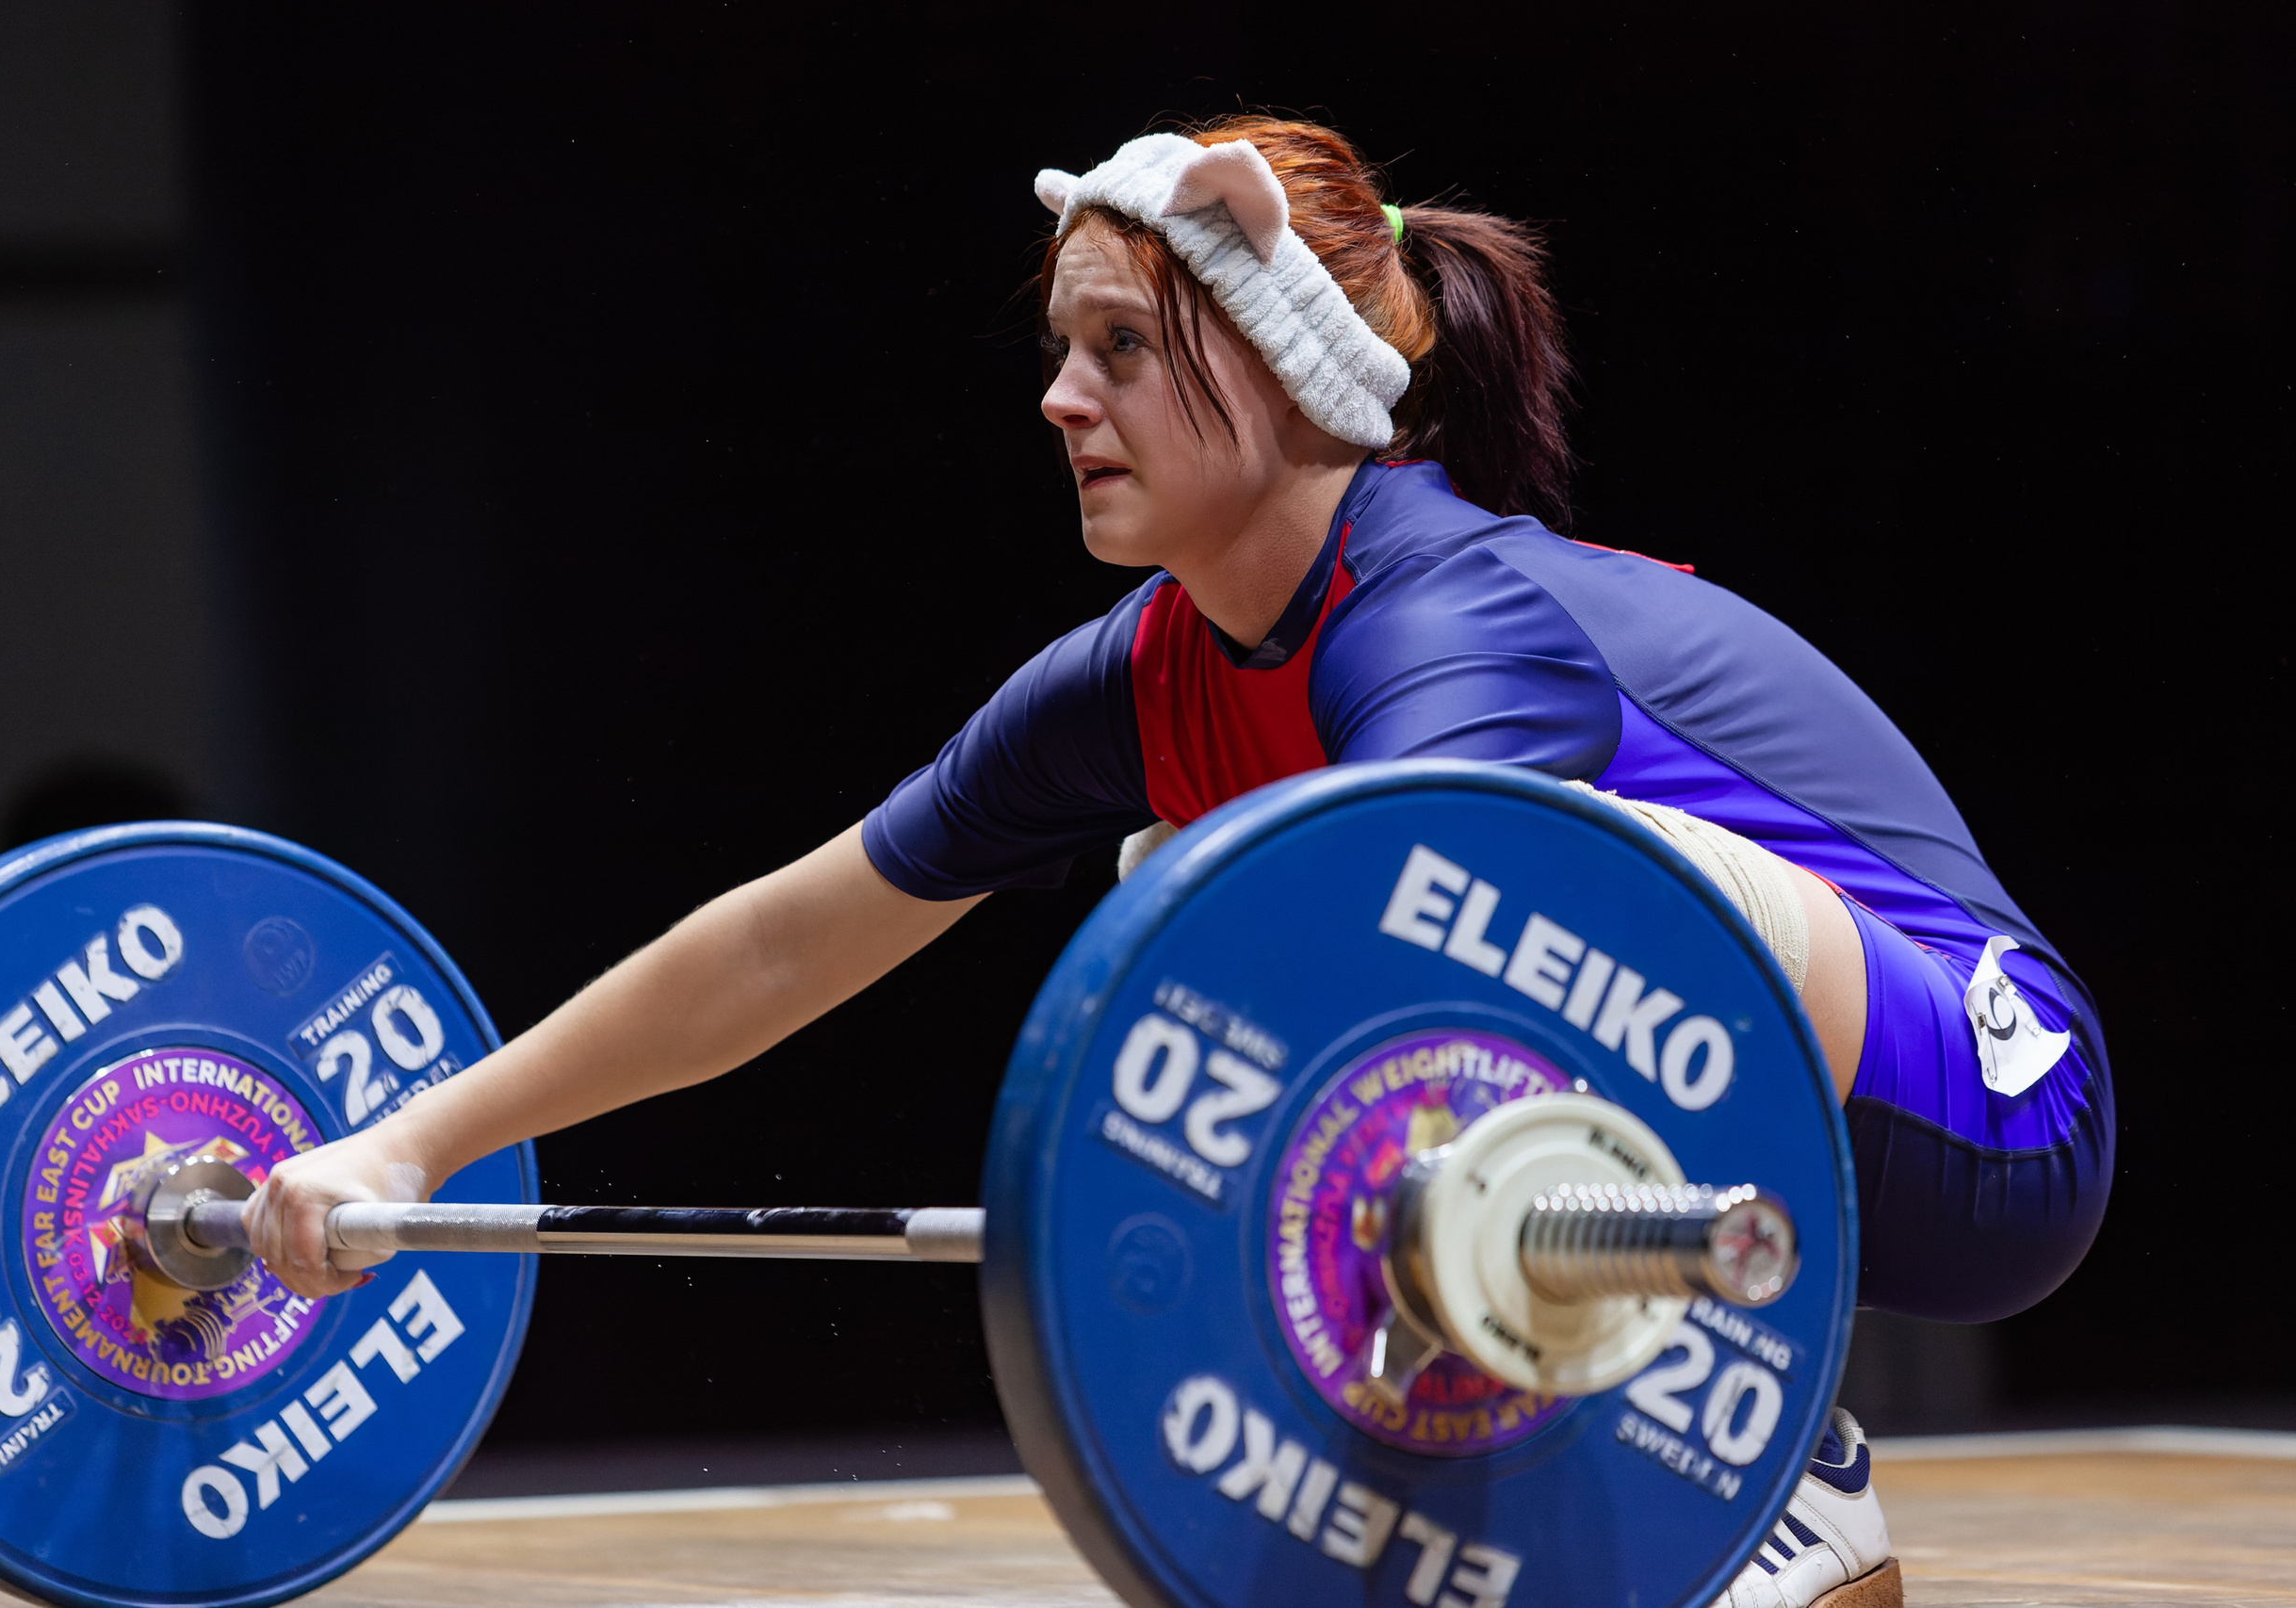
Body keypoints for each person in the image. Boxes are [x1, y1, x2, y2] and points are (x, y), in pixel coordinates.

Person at [247, 117, 2109, 1608]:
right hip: (1742, 1091)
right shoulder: (1142, 674)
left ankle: (1744, 1437)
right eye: (1064, 352)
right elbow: (782, 943)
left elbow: (1416, 967)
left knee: (1374, 891)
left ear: (1290, 369)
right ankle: (1654, 1403)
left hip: (1983, 1101)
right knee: (1210, 877)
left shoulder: (1450, 616)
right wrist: (413, 1141)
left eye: (1122, 350)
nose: (1063, 398)